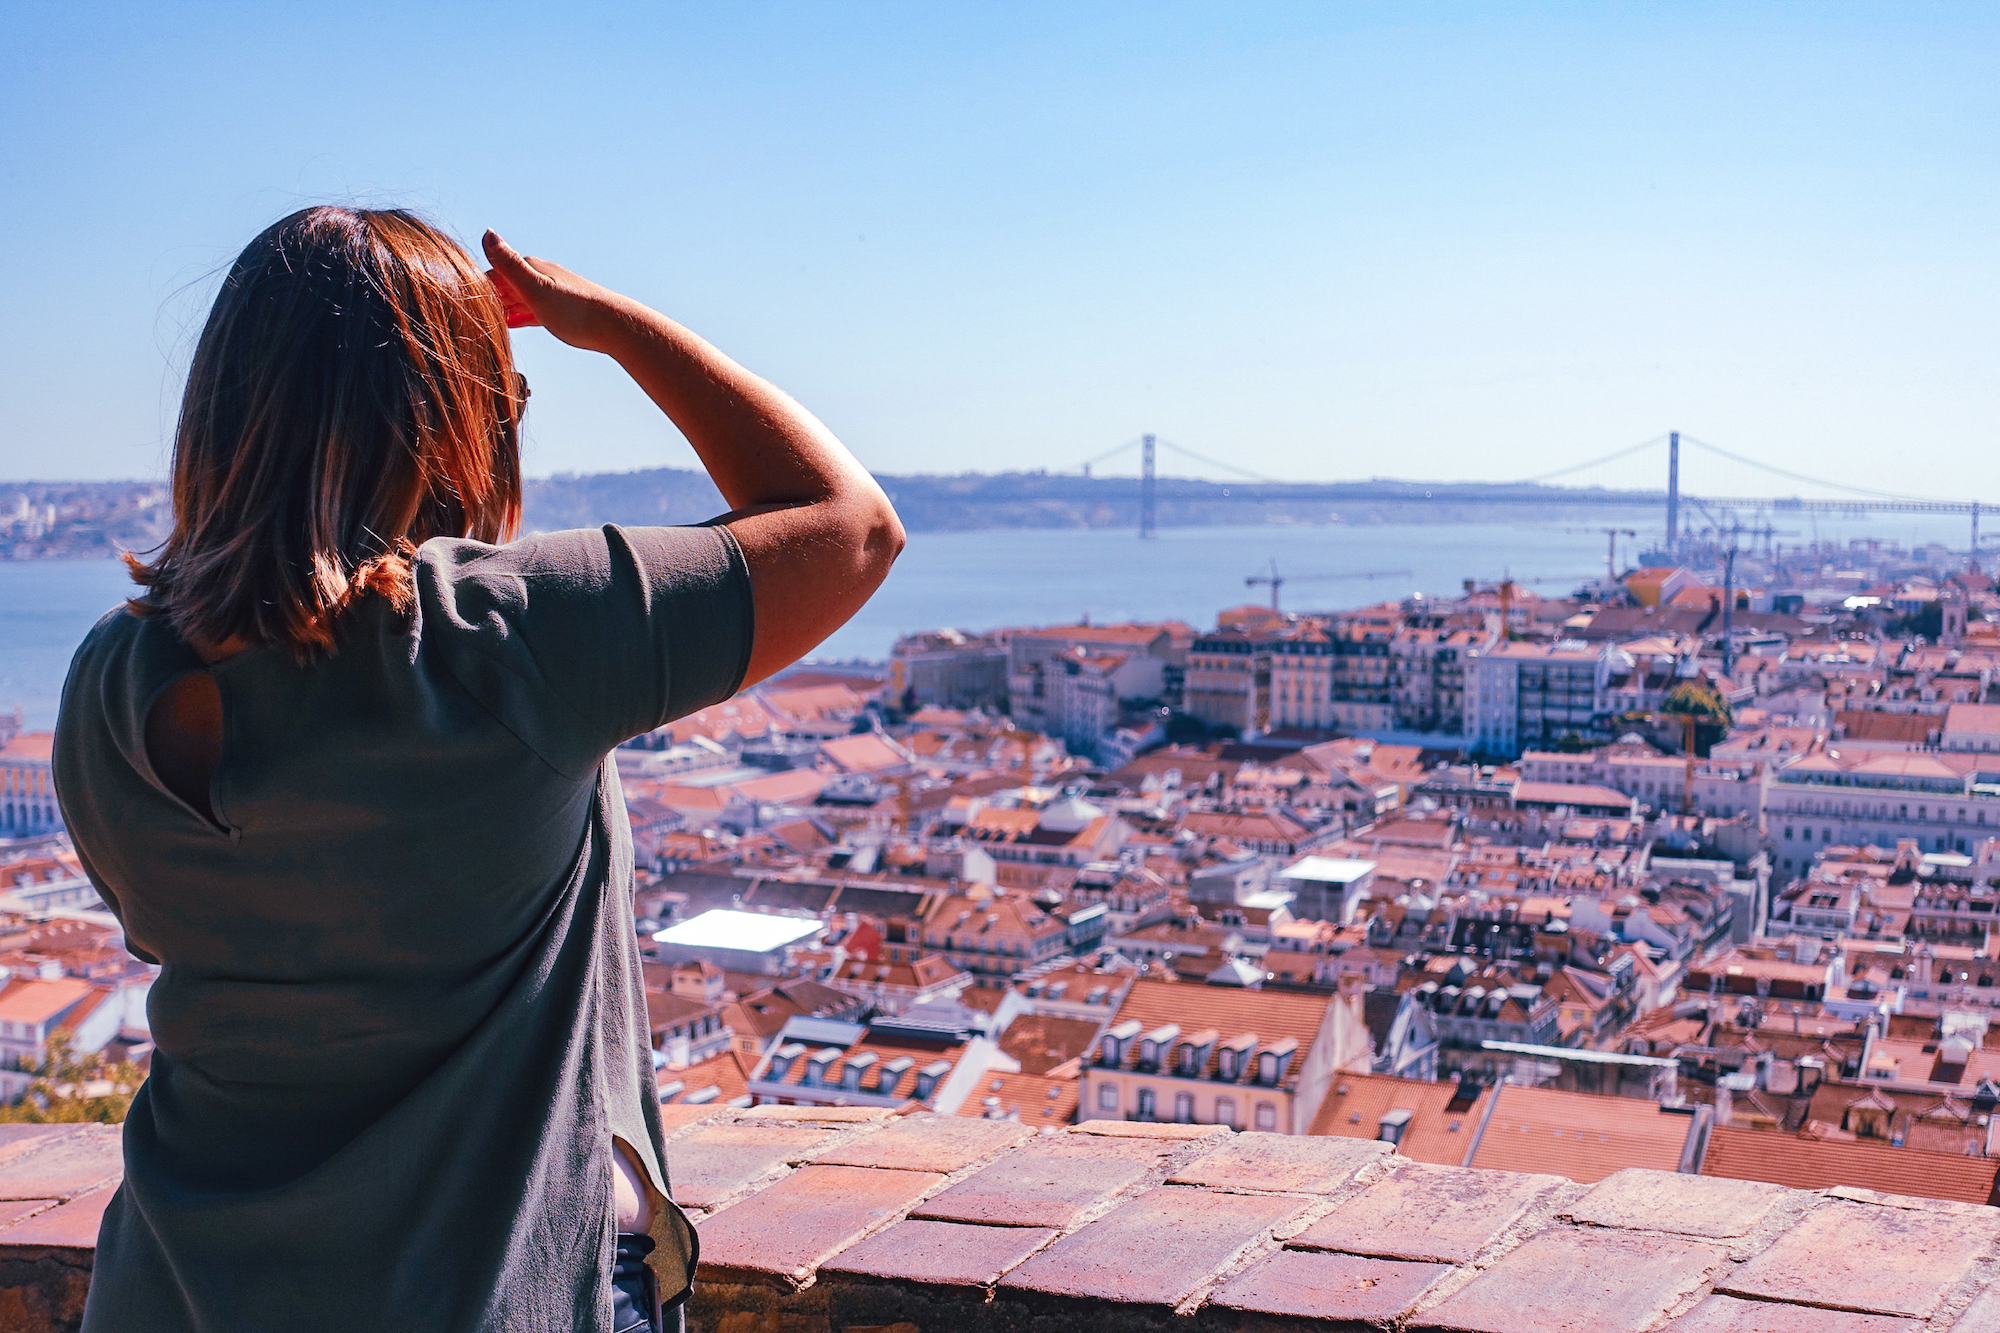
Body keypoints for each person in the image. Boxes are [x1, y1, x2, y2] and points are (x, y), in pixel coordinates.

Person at [52, 206, 903, 1332]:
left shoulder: (107, 680)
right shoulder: (499, 635)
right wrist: (608, 326)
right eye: (504, 399)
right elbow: (849, 529)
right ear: (457, 417)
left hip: (174, 1292)